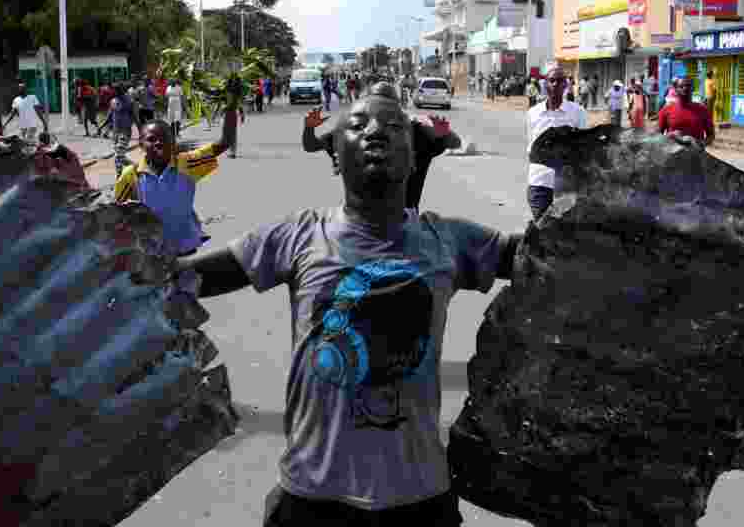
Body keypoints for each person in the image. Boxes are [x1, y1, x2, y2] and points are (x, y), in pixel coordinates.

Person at [173, 81, 523, 527]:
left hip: (419, 499)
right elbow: (184, 277)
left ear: (413, 156)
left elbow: (546, 255)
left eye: (393, 126)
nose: (376, 131)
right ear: (336, 156)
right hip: (313, 498)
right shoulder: (296, 238)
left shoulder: (450, 240)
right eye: (358, 124)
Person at [113, 82, 244, 273]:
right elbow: (116, 215)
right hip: (149, 254)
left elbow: (224, 143)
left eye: (164, 138)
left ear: (173, 143)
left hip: (184, 250)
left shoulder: (186, 164)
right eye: (151, 139)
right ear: (141, 145)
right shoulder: (131, 175)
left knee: (184, 294)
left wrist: (231, 105)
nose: (158, 142)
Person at [302, 84, 462, 213]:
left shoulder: (417, 131)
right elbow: (312, 145)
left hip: (404, 220)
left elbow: (454, 143)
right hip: (359, 220)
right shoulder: (354, 130)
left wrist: (444, 132)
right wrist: (308, 128)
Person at [526, 65, 587, 220]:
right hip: (539, 182)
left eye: (560, 81)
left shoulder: (577, 112)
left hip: (566, 186)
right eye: (552, 81)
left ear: (566, 85)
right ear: (545, 84)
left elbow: (583, 149)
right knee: (541, 228)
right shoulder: (533, 114)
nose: (555, 85)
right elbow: (531, 149)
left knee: (562, 233)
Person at [658, 76, 715, 146]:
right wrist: (671, 135)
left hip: (695, 154)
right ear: (675, 89)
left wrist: (701, 143)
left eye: (688, 85)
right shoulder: (666, 110)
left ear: (693, 88)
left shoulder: (703, 110)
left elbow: (711, 135)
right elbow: (657, 136)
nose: (685, 88)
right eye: (681, 86)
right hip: (672, 155)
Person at [112, 83, 137, 176]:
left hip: (125, 131)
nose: (117, 92)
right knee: (119, 157)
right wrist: (101, 127)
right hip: (115, 132)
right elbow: (110, 115)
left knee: (119, 156)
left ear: (123, 90)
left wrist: (142, 131)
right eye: (115, 90)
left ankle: (121, 175)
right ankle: (133, 169)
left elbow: (134, 116)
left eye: (119, 90)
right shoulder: (113, 101)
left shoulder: (129, 101)